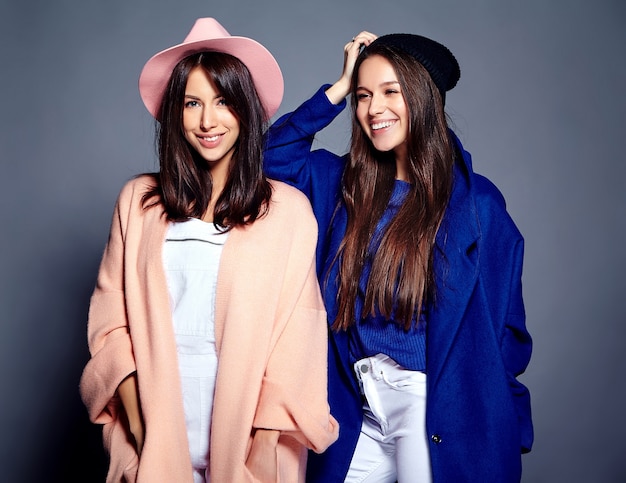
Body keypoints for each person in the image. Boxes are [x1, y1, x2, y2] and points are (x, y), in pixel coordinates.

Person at [263, 30, 533, 482]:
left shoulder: (477, 206)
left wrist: (503, 424)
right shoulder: (342, 185)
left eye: (392, 92)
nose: (374, 108)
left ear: (424, 98)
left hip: (434, 409)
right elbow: (269, 159)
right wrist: (338, 87)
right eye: (364, 95)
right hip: (357, 403)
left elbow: (506, 331)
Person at [79, 17, 338, 483]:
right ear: (174, 112)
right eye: (192, 102)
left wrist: (259, 458)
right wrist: (144, 433)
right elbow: (110, 325)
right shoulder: (139, 203)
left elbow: (297, 346)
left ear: (246, 109)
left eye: (223, 102)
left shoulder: (288, 212)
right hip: (154, 439)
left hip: (248, 450)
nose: (207, 121)